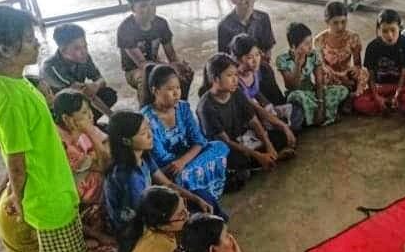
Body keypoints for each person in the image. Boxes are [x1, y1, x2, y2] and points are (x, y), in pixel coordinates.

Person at [0, 5, 114, 252]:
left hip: (57, 187)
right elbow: (16, 161)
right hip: (45, 198)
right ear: (5, 49)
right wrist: (23, 204)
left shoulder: (18, 82)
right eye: (28, 39)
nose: (37, 43)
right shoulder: (5, 96)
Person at [141, 64, 231, 213]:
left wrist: (184, 160)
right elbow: (161, 157)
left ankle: (206, 191)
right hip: (168, 169)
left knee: (219, 147)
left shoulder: (183, 107)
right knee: (181, 176)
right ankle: (198, 196)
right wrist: (181, 162)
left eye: (178, 88)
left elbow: (199, 141)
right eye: (170, 89)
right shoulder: (147, 118)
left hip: (187, 160)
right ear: (155, 91)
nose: (176, 93)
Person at [104, 110, 211, 234]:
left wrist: (196, 199)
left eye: (149, 129)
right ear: (126, 141)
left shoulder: (143, 156)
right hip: (136, 227)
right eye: (143, 133)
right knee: (199, 224)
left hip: (150, 210)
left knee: (203, 197)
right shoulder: (129, 177)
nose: (150, 135)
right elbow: (143, 217)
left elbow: (167, 184)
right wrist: (180, 215)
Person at [52, 90, 117, 252]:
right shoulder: (61, 144)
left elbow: (108, 155)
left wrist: (90, 131)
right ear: (66, 118)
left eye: (89, 111)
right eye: (84, 112)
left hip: (92, 199)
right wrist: (90, 131)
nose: (90, 116)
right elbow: (105, 163)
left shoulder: (80, 128)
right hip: (78, 209)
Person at [196, 53, 290, 191]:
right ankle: (261, 162)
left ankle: (265, 159)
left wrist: (268, 145)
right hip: (226, 149)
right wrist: (258, 155)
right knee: (237, 164)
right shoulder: (206, 107)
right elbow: (226, 142)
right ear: (215, 79)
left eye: (235, 75)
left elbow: (254, 121)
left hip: (243, 139)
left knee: (279, 136)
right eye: (229, 76)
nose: (235, 79)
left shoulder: (237, 92)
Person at [116, 0, 193, 101]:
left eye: (153, 4)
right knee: (144, 78)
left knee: (185, 72)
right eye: (143, 6)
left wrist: (178, 65)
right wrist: (168, 67)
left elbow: (172, 55)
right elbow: (142, 64)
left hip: (156, 63)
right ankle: (147, 114)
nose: (150, 9)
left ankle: (180, 107)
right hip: (135, 70)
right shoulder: (125, 29)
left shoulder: (161, 23)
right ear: (132, 7)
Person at [216, 0, 285, 106]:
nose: (246, 3)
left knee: (267, 73)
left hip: (258, 66)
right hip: (238, 73)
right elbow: (223, 59)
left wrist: (256, 64)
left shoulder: (263, 18)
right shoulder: (225, 26)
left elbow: (267, 49)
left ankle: (278, 106)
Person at [276, 22, 349, 126]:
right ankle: (328, 115)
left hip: (312, 93)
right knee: (297, 96)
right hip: (298, 96)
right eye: (306, 43)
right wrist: (298, 65)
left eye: (310, 42)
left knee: (342, 90)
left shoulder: (313, 55)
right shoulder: (282, 60)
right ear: (293, 46)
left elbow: (319, 83)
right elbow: (292, 87)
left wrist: (320, 105)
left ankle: (315, 115)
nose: (310, 46)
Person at [229, 33, 303, 134]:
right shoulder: (236, 81)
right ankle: (282, 132)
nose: (255, 60)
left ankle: (283, 130)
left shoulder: (255, 71)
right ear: (238, 59)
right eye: (250, 57)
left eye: (257, 54)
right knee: (268, 131)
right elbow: (255, 108)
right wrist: (281, 124)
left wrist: (270, 107)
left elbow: (257, 93)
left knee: (296, 110)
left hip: (262, 111)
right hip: (250, 118)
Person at [41, 23, 117, 120]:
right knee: (80, 101)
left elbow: (101, 80)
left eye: (85, 46)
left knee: (108, 94)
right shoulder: (50, 67)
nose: (84, 51)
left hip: (77, 100)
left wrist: (96, 85)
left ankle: (90, 124)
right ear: (63, 50)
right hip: (60, 112)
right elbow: (85, 92)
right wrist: (112, 116)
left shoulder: (83, 57)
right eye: (77, 48)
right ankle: (83, 128)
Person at [354, 9, 405, 115]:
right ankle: (389, 105)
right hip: (380, 87)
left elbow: (404, 74)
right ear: (378, 30)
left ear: (399, 28)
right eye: (385, 31)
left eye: (393, 30)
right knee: (359, 103)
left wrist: (397, 95)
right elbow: (370, 77)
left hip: (400, 87)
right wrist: (377, 97)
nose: (390, 35)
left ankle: (389, 104)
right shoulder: (372, 47)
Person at [314, 1, 366, 97]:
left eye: (343, 22)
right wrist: (339, 77)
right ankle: (347, 94)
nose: (340, 27)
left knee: (364, 72)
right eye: (335, 23)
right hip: (330, 76)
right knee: (322, 75)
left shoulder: (353, 37)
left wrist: (355, 71)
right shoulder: (319, 40)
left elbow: (357, 64)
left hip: (347, 74)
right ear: (327, 22)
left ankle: (353, 94)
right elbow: (322, 66)